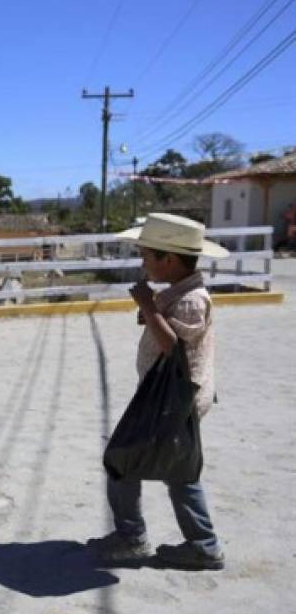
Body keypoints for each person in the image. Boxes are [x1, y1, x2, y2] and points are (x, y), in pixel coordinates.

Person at [88, 212, 229, 570]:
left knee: (123, 461)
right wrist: (153, 310)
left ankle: (136, 537)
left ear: (168, 260)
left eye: (146, 256)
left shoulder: (191, 301)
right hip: (169, 399)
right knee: (176, 471)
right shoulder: (180, 293)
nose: (142, 262)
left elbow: (173, 347)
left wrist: (149, 307)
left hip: (173, 402)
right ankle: (200, 544)